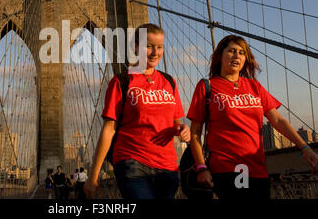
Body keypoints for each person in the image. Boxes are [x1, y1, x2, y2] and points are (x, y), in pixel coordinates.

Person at [187, 35, 318, 199]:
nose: (237, 56)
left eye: (242, 53)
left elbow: (277, 120)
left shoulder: (254, 86)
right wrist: (201, 167)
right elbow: (195, 133)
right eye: (232, 51)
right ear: (220, 55)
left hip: (258, 169)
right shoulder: (207, 86)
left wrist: (304, 148)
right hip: (228, 167)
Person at [84, 23, 190, 199]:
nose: (155, 53)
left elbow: (175, 121)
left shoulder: (169, 81)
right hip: (132, 162)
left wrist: (182, 129)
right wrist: (93, 176)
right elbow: (109, 129)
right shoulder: (122, 81)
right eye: (148, 46)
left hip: (167, 166)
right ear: (135, 47)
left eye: (160, 47)